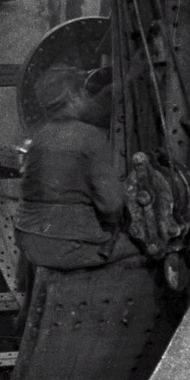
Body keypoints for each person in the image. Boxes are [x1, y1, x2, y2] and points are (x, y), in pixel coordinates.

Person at [15, 66, 140, 271]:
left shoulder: (38, 136)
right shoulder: (90, 136)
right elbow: (112, 205)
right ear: (73, 96)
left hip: (28, 243)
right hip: (68, 247)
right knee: (145, 246)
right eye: (84, 93)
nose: (88, 98)